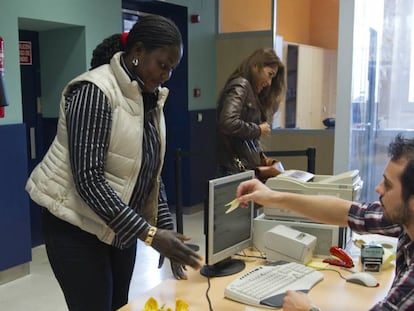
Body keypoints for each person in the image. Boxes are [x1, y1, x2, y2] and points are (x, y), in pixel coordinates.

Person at [25, 15, 203, 311]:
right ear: (137, 53)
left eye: (172, 68)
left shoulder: (149, 98)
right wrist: (150, 234)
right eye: (162, 64)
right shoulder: (94, 92)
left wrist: (166, 227)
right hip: (74, 226)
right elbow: (88, 181)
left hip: (116, 226)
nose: (167, 75)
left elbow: (148, 173)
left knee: (119, 305)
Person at [236, 133, 414, 311]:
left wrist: (307, 309)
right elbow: (348, 212)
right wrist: (273, 197)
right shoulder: (406, 221)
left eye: (388, 185)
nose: (378, 188)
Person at [216, 47, 286, 178]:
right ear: (256, 66)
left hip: (238, 168)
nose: (269, 83)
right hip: (234, 170)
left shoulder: (247, 89)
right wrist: (258, 130)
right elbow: (227, 122)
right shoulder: (242, 86)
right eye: (269, 74)